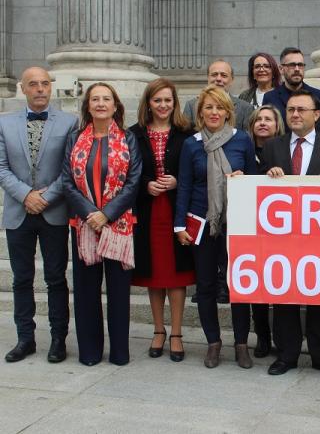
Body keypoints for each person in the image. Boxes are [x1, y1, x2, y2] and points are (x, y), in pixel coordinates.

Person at [261, 90, 320, 378]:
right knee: (285, 296)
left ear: (317, 115)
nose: (295, 114)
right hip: (282, 237)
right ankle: (286, 355)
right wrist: (265, 176)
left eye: (301, 109)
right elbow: (258, 188)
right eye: (291, 110)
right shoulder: (272, 147)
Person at [174, 86, 257, 369]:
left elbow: (254, 181)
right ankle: (213, 343)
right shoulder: (191, 144)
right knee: (207, 285)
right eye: (208, 107)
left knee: (238, 287)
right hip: (201, 224)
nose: (213, 112)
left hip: (235, 224)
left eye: (219, 107)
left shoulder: (242, 140)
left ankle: (242, 344)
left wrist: (242, 177)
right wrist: (179, 225)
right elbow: (184, 185)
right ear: (200, 113)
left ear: (228, 112)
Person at [0, 67, 77, 363]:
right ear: (23, 88)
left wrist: (44, 197)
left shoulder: (70, 122)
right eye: (34, 84)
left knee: (56, 278)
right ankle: (25, 338)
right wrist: (25, 195)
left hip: (53, 211)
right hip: (19, 211)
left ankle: (59, 338)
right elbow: (2, 167)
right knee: (21, 279)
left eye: (45, 83)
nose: (41, 89)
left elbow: (69, 168)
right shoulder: (5, 124)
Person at [61, 83, 142, 366]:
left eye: (106, 99)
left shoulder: (129, 139)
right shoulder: (74, 139)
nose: (100, 103)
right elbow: (67, 182)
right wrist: (89, 214)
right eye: (95, 99)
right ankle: (90, 352)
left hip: (117, 224)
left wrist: (106, 214)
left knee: (119, 292)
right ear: (87, 106)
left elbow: (133, 182)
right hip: (84, 226)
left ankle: (120, 352)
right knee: (85, 291)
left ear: (116, 106)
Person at [130, 78, 195, 362]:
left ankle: (177, 333)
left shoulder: (186, 133)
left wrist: (177, 182)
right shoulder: (134, 134)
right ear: (148, 103)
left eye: (168, 100)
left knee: (175, 275)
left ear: (175, 102)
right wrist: (146, 184)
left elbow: (196, 172)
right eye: (157, 100)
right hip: (147, 211)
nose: (163, 105)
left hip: (176, 210)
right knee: (154, 275)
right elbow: (127, 172)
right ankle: (158, 331)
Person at [245, 104, 284, 358]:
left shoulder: (284, 151)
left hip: (279, 227)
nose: (263, 123)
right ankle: (262, 336)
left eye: (268, 119)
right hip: (250, 225)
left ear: (277, 124)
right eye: (258, 119)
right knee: (257, 286)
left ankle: (282, 338)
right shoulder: (244, 149)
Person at [263, 47, 320, 131]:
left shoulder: (317, 95)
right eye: (292, 65)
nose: (297, 69)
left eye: (300, 65)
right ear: (281, 69)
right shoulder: (270, 97)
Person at [183, 60, 252, 133]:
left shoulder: (245, 108)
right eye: (214, 75)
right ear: (208, 78)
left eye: (224, 75)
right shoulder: (191, 105)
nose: (218, 79)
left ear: (231, 80)